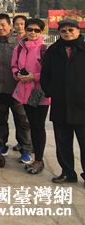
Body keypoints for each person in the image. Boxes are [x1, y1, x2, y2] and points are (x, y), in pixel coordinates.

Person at [41, 18, 85, 184]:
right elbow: (45, 75)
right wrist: (51, 91)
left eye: (70, 30)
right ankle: (67, 172)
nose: (67, 33)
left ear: (78, 31)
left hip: (82, 106)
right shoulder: (53, 50)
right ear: (59, 32)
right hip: (60, 104)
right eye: (63, 30)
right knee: (63, 143)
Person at [0, 13, 32, 163]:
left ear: (10, 26)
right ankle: (1, 145)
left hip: (17, 89)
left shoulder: (21, 41)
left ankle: (26, 149)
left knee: (22, 120)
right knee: (0, 119)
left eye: (3, 25)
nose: (0, 28)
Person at [11, 18, 48, 175]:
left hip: (38, 92)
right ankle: (34, 156)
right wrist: (17, 74)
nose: (32, 32)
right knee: (31, 124)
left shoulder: (44, 49)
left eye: (36, 30)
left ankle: (38, 160)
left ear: (41, 32)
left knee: (38, 126)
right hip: (23, 91)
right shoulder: (19, 47)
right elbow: (13, 66)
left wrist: (34, 76)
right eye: (30, 29)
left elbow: (49, 72)